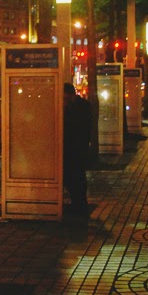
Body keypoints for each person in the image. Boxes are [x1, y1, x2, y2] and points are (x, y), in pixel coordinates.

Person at [63, 82, 91, 213]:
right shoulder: (82, 105)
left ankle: (79, 204)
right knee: (76, 176)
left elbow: (76, 127)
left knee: (76, 177)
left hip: (75, 148)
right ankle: (79, 202)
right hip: (77, 148)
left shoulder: (78, 107)